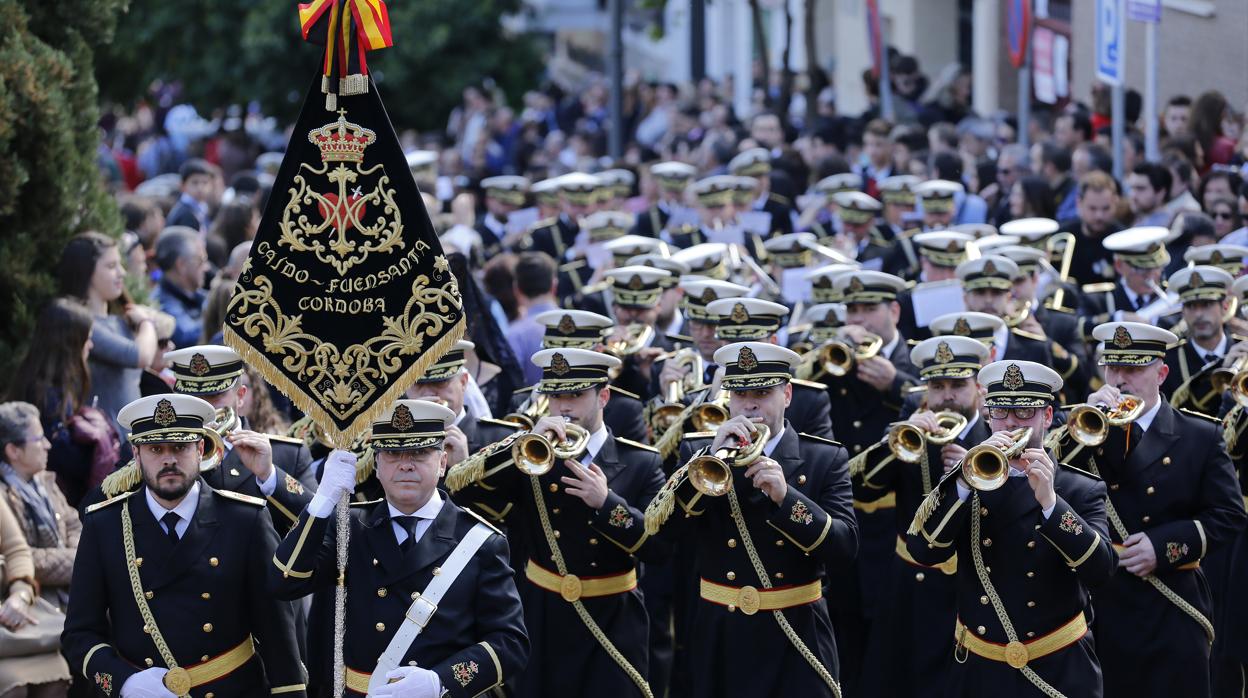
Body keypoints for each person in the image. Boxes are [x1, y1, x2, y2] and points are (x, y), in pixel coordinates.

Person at [446, 348, 669, 698]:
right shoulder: (532, 456)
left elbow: (659, 546)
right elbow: (467, 492)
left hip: (612, 619)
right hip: (544, 616)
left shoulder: (639, 461)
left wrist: (607, 504)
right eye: (556, 397)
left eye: (576, 396)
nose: (564, 408)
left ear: (603, 397)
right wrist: (518, 445)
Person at [270, 399, 529, 696]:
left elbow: (509, 642)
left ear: (442, 462)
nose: (406, 464)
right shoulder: (350, 526)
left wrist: (441, 682)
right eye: (393, 453)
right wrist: (321, 503)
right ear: (376, 465)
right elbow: (283, 583)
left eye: (419, 453)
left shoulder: (479, 539)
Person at [645, 341, 856, 698]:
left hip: (796, 633)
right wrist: (707, 463)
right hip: (721, 632)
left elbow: (845, 547)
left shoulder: (824, 458)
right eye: (739, 394)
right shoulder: (698, 455)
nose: (750, 404)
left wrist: (786, 498)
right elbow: (660, 539)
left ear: (787, 395)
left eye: (762, 392)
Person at [62, 394, 307, 697]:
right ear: (136, 455)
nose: (169, 460)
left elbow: (277, 633)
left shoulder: (244, 520)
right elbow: (79, 633)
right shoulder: (105, 524)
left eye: (180, 447)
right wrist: (124, 681)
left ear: (201, 449)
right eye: (155, 449)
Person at [1059, 323, 1247, 698]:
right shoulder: (1082, 430)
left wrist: (1163, 547)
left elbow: (1229, 515)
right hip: (1102, 602)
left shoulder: (1199, 434)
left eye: (1133, 369)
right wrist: (1078, 434)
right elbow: (1057, 496)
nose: (1120, 380)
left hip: (1171, 602)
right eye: (1113, 368)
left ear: (1161, 373)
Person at [906, 360, 1114, 696]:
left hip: (1057, 665)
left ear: (1047, 417)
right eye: (1001, 412)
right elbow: (924, 552)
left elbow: (1101, 570)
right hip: (982, 666)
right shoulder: (966, 483)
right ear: (988, 416)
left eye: (1024, 413)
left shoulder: (1079, 488)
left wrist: (1051, 503)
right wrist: (961, 482)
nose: (1011, 423)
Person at [853, 334, 993, 697]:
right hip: (910, 588)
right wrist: (899, 441)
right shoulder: (908, 432)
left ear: (978, 388)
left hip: (972, 589)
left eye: (958, 385)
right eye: (937, 385)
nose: (947, 395)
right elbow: (860, 488)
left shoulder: (995, 435)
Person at [58, 232, 159, 445]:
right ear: (87, 271)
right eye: (111, 266)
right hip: (107, 446)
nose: (121, 273)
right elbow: (140, 355)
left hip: (133, 439)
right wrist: (146, 323)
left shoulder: (119, 320)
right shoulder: (85, 325)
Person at [0, 402, 80, 611]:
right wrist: (81, 560)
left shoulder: (44, 482)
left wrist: (81, 553)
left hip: (74, 590)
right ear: (13, 451)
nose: (47, 444)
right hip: (41, 603)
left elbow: (73, 523)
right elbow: (20, 555)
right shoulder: (4, 495)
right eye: (38, 439)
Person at [0, 497, 71, 698]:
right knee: (14, 688)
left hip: (8, 609)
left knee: (54, 679)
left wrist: (20, 594)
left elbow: (16, 550)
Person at [1161, 266, 1237, 415]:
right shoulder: (1168, 359)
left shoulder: (1243, 350)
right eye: (1190, 306)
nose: (1198, 314)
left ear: (1225, 306)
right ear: (1182, 311)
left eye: (1207, 304)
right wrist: (1223, 366)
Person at [151, 227, 209, 350]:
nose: (206, 268)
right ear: (181, 265)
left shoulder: (195, 295)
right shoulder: (161, 303)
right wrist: (220, 316)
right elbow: (187, 337)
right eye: (201, 260)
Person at [1127, 162, 1175, 228]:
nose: (1133, 195)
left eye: (1140, 188)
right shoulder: (1138, 220)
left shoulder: (1166, 226)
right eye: (1131, 188)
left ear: (1160, 193)